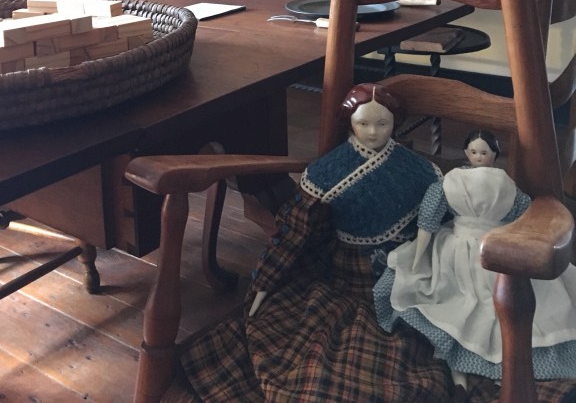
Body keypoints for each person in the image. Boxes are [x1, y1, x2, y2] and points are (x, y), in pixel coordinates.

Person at [179, 83, 455, 402]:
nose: (373, 132)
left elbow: (441, 220)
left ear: (396, 123)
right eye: (363, 123)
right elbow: (294, 231)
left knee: (413, 346)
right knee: (306, 339)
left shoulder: (418, 170)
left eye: (383, 123)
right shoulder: (329, 171)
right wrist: (264, 285)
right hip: (344, 273)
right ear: (349, 122)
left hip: (404, 274)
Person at [374, 128, 576, 392]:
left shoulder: (484, 184)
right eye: (474, 152)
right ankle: (465, 369)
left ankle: (470, 369)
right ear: (466, 152)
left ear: (494, 154)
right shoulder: (496, 185)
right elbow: (427, 223)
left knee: (477, 305)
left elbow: (525, 217)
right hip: (475, 247)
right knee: (465, 303)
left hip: (480, 247)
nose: (479, 157)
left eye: (484, 152)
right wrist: (418, 256)